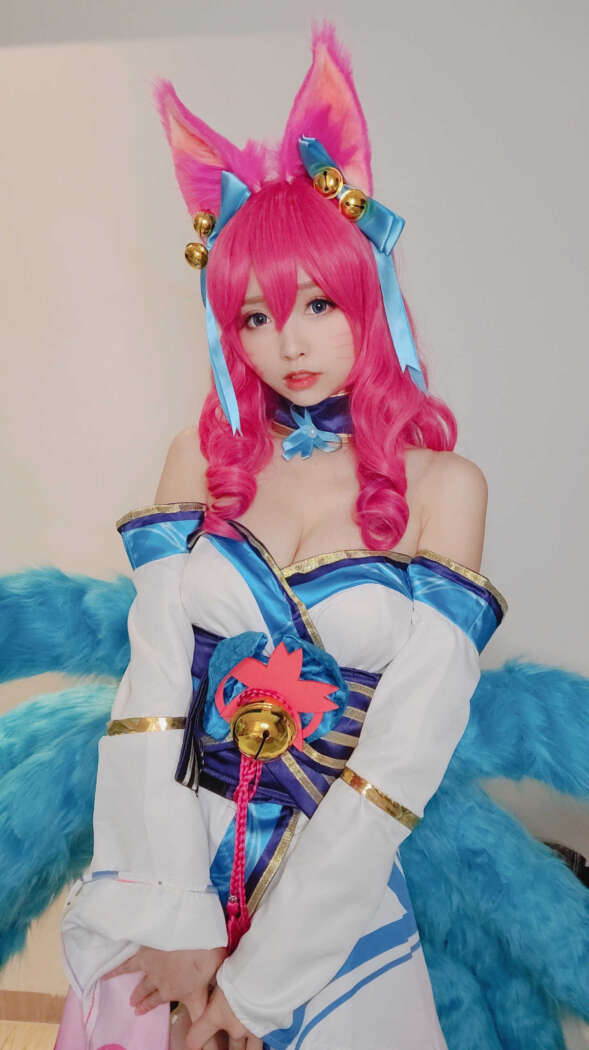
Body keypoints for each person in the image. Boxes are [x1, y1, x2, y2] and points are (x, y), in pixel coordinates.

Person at [54, 21, 507, 1050]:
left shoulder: (445, 487)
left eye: (315, 303)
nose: (287, 343)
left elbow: (400, 759)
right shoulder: (198, 457)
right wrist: (173, 920)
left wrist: (260, 987)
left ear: (368, 297)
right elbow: (150, 696)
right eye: (253, 318)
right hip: (164, 867)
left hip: (332, 902)